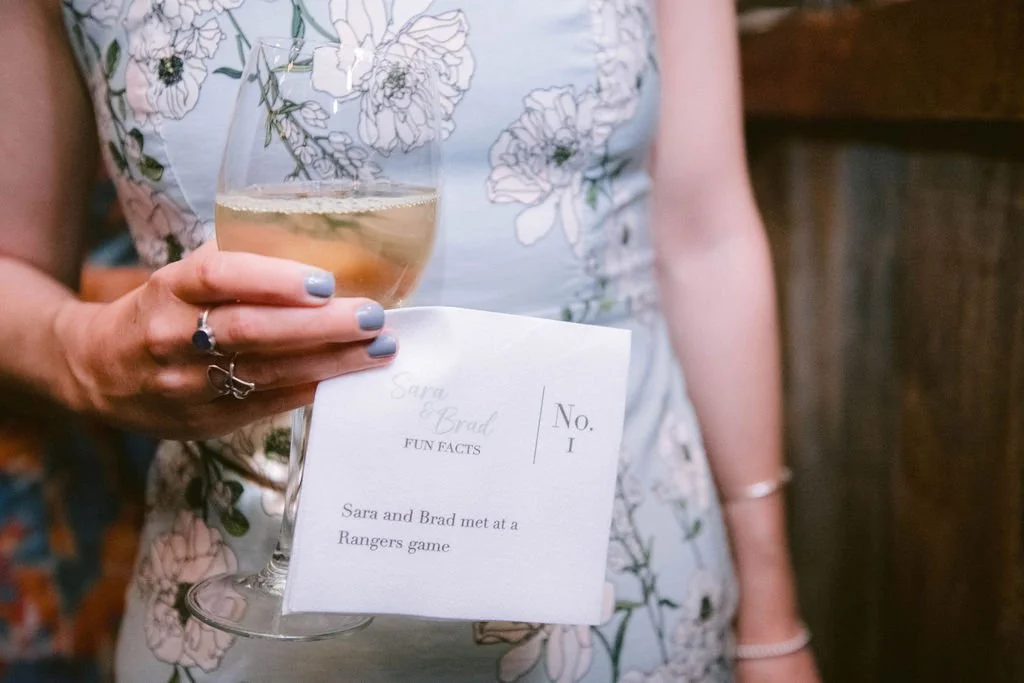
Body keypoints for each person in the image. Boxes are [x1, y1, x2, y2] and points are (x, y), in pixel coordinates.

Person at [0, 0, 821, 681]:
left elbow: (705, 239)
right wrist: (85, 353)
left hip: (625, 600)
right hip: (239, 609)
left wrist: (773, 617)